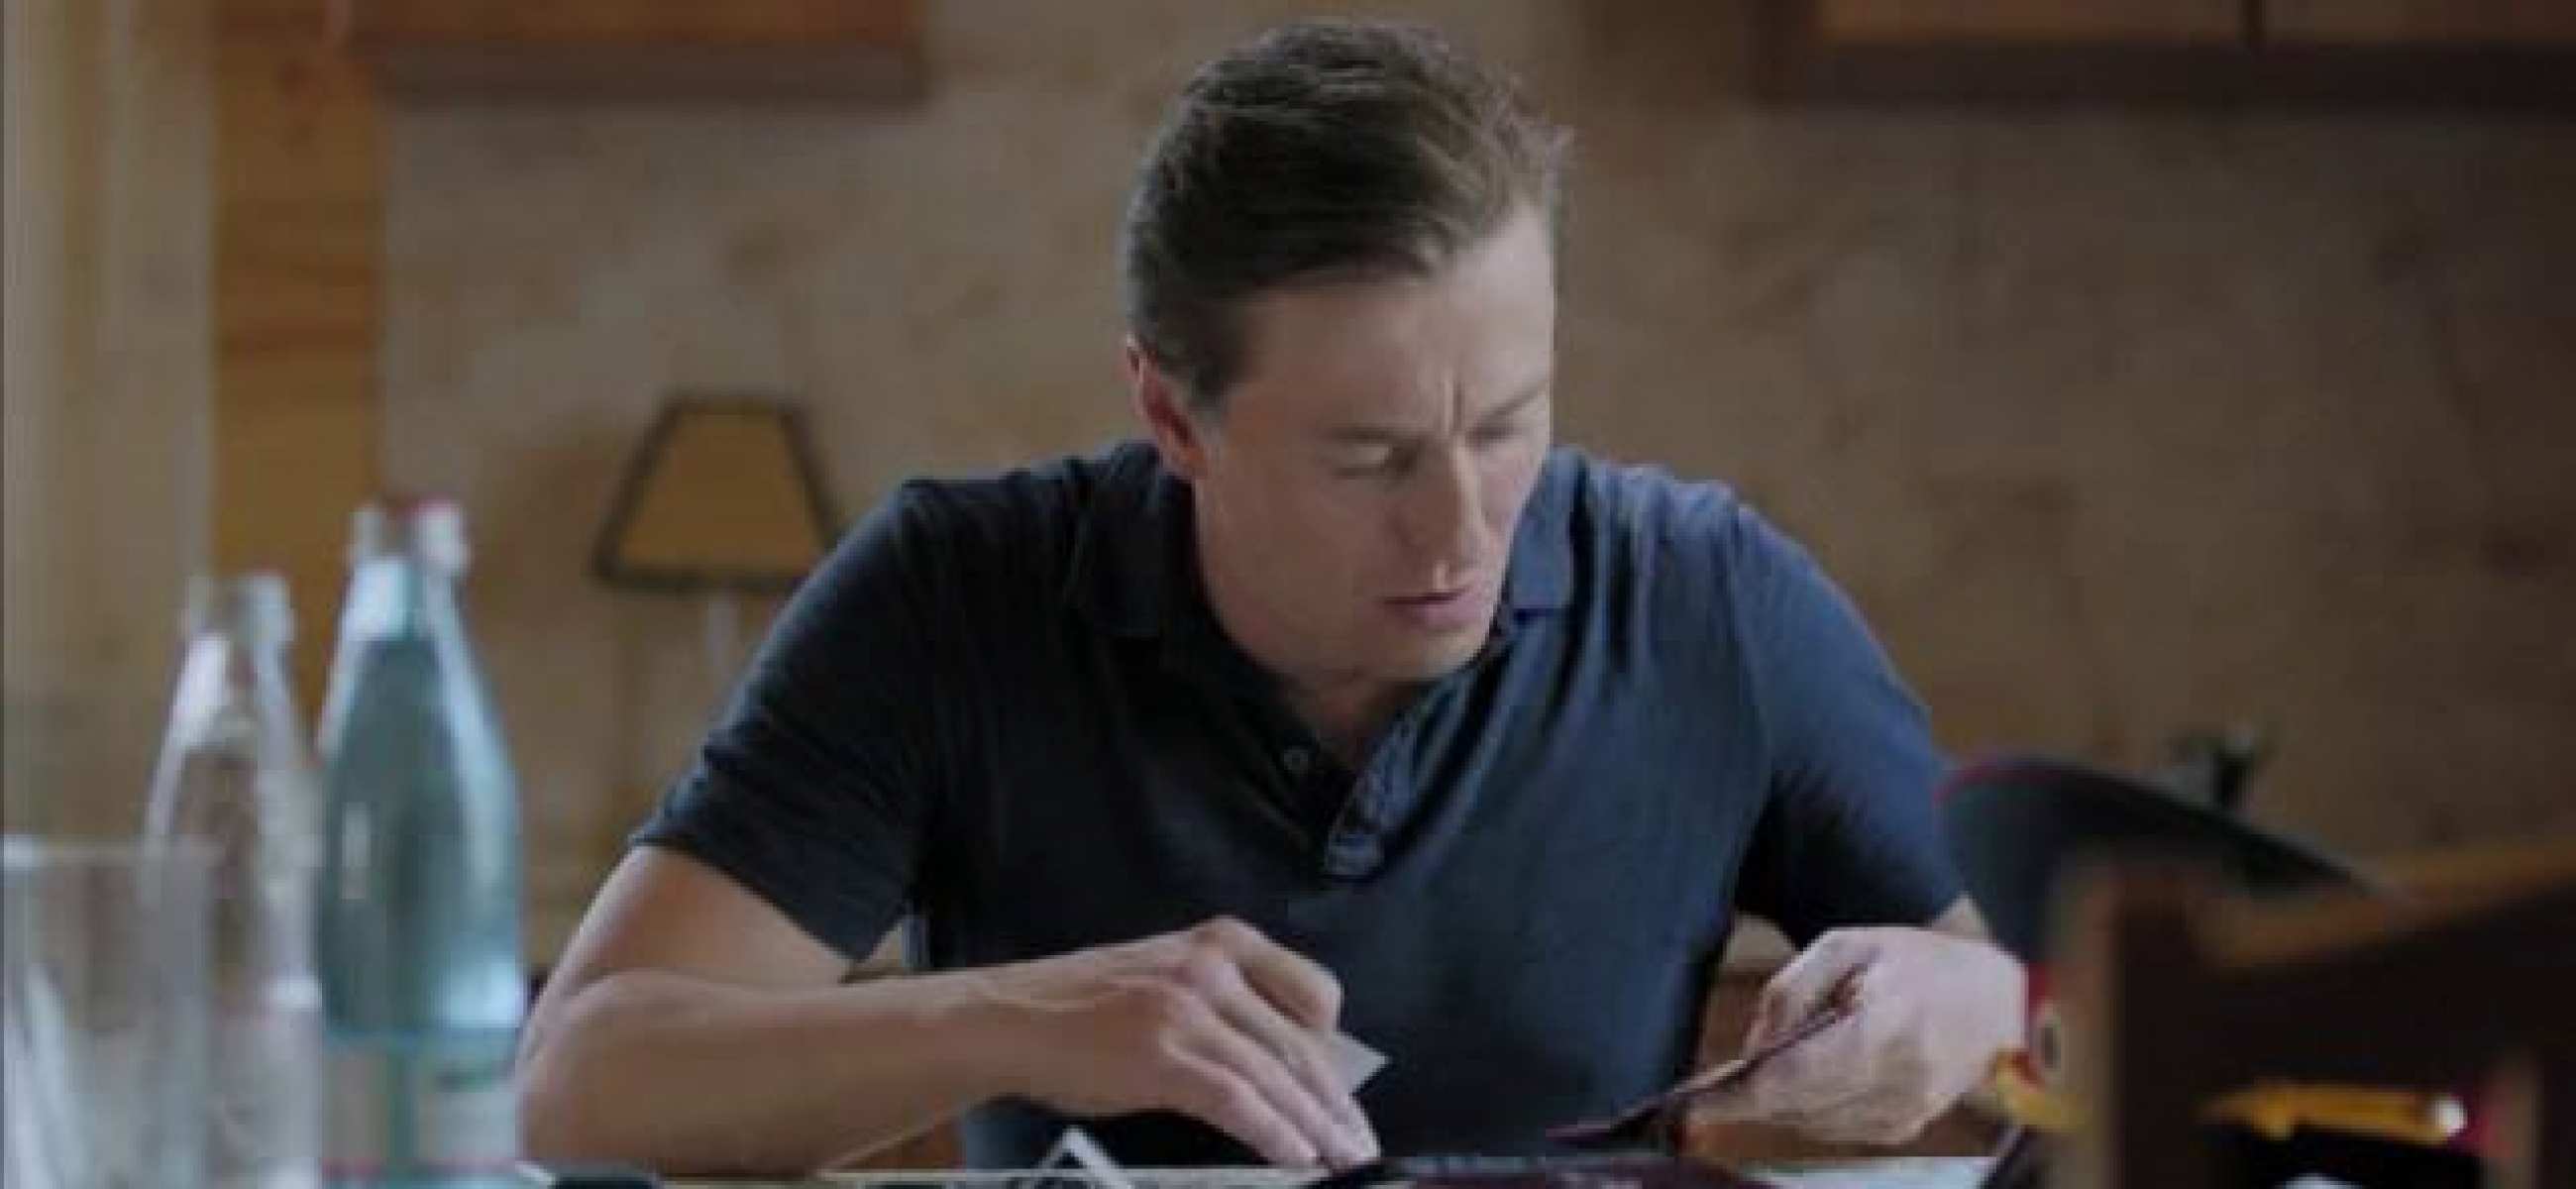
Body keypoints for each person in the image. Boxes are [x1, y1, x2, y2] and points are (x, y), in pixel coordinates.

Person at [518, 18, 2022, 1178]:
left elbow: (2063, 1014)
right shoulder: (952, 599)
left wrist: (1976, 1008)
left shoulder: (1709, 603)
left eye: (1509, 428)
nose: (1463, 532)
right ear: (1173, 416)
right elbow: (582, 1080)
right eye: (1370, 459)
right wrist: (1024, 1019)